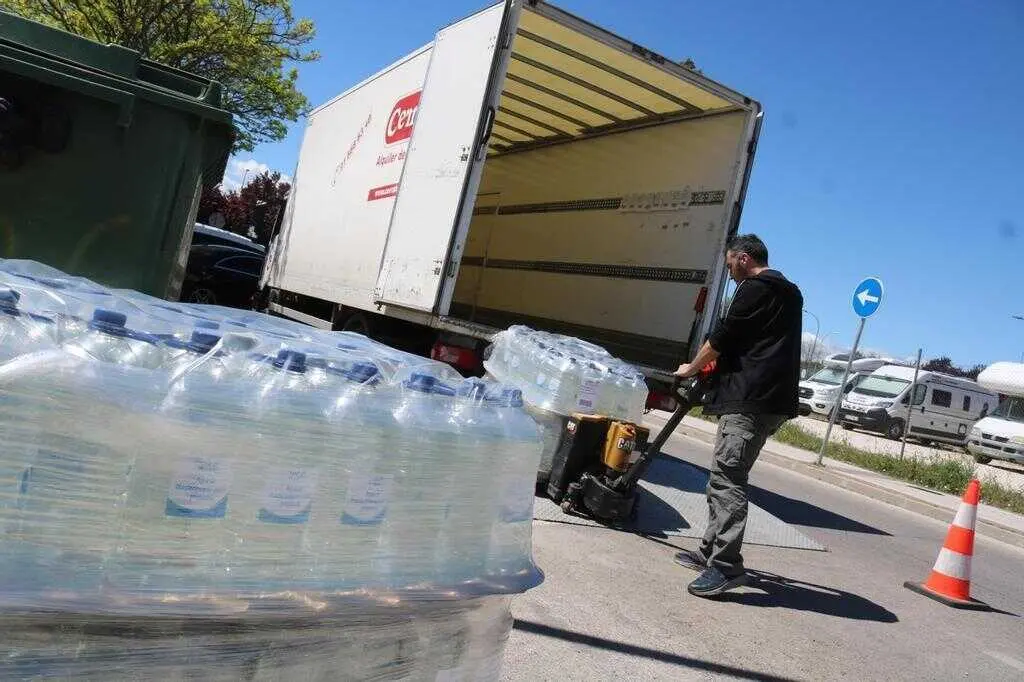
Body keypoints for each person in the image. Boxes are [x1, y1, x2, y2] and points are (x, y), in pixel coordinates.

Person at [672, 233, 803, 597]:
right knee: (722, 475)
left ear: (743, 258)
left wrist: (691, 368)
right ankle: (710, 551)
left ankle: (727, 566)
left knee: (727, 479)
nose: (729, 272)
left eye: (730, 264)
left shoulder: (754, 287)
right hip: (769, 401)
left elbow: (722, 337)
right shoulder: (789, 292)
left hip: (749, 400)